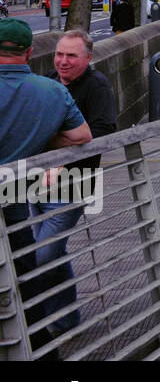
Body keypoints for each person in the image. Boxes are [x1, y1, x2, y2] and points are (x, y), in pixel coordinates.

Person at [0, 18, 92, 354]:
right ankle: (40, 349)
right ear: (28, 52)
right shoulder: (53, 91)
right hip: (13, 197)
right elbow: (83, 136)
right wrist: (42, 135)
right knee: (24, 279)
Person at [31, 29, 115, 338]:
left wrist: (60, 150)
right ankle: (65, 319)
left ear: (88, 58)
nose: (63, 62)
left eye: (71, 56)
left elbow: (104, 130)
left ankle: (43, 318)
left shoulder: (97, 86)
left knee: (43, 255)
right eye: (59, 54)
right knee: (48, 253)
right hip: (35, 181)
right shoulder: (49, 80)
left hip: (72, 185)